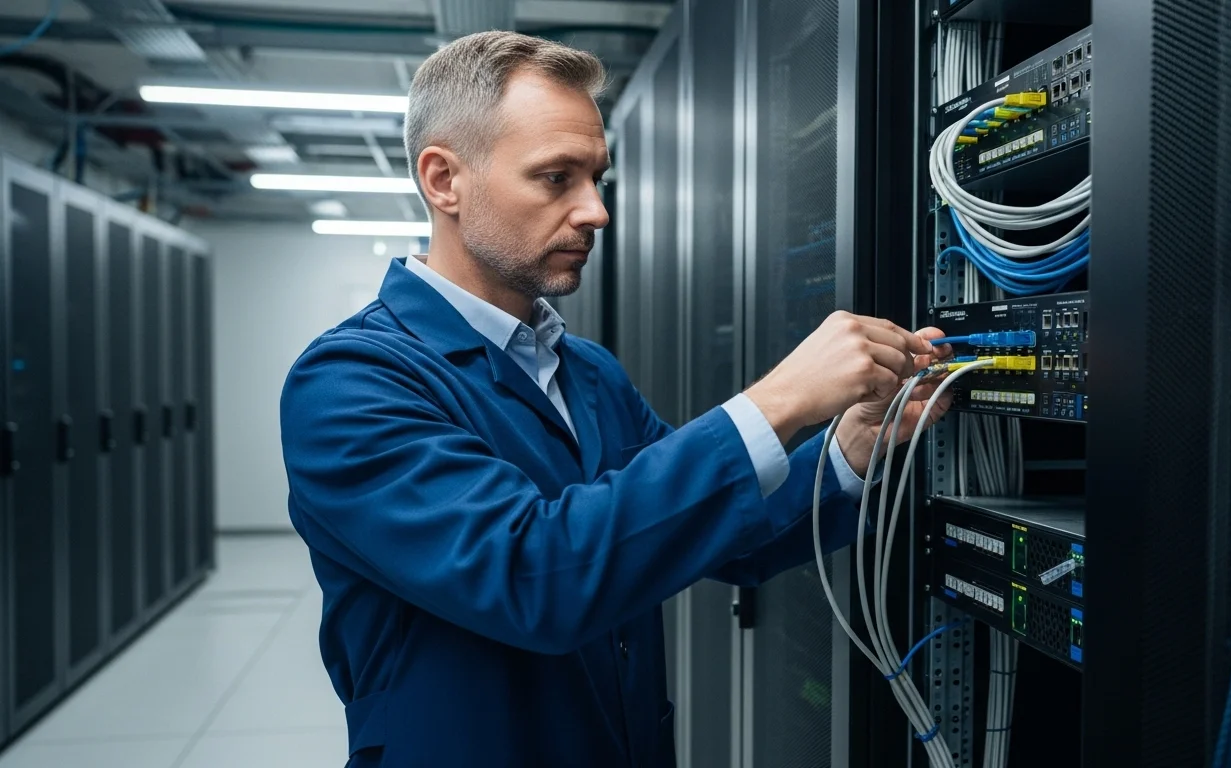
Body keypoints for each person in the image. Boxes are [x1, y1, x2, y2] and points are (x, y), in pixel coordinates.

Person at [280, 31, 952, 768]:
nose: (596, 211)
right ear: (444, 180)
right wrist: (781, 399)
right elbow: (533, 577)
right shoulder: (351, 383)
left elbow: (718, 529)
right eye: (556, 177)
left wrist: (851, 447)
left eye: (595, 177)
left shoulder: (587, 372)